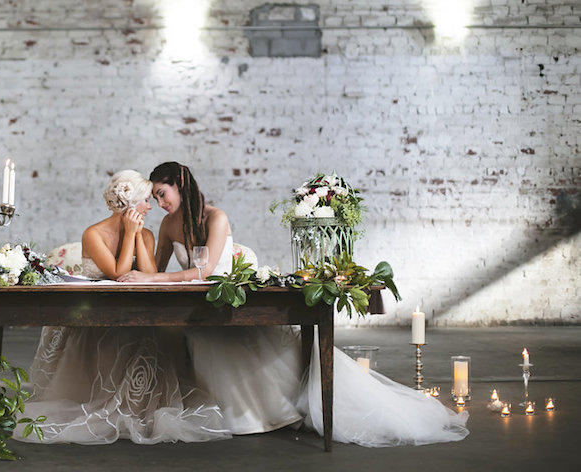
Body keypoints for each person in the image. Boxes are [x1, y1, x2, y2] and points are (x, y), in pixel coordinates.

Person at [139, 161, 470, 446]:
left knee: (223, 340)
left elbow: (206, 271)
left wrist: (152, 279)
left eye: (162, 194)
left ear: (180, 186)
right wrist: (136, 235)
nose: (159, 202)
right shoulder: (167, 225)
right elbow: (154, 269)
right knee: (194, 335)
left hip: (230, 301)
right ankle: (230, 413)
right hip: (200, 306)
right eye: (154, 197)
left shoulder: (216, 217)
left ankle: (267, 412)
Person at [16, 171, 229, 444]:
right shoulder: (93, 233)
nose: (151, 207)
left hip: (133, 311)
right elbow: (118, 273)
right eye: (146, 202)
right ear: (131, 206)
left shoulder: (148, 234)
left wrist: (138, 236)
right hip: (94, 312)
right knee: (115, 335)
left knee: (153, 333)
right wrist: (130, 233)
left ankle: (140, 407)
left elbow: (152, 275)